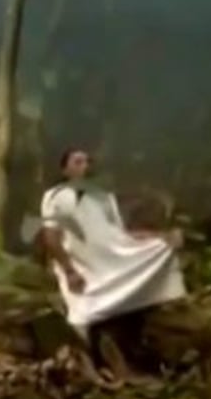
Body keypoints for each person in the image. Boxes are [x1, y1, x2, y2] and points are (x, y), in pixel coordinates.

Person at [38, 147, 185, 344]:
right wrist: (69, 271)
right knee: (83, 314)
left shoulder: (103, 197)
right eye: (78, 162)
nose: (85, 166)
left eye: (88, 162)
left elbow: (120, 234)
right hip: (82, 266)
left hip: (112, 259)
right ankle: (84, 351)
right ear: (65, 170)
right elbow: (51, 237)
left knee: (163, 247)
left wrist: (161, 237)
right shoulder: (55, 197)